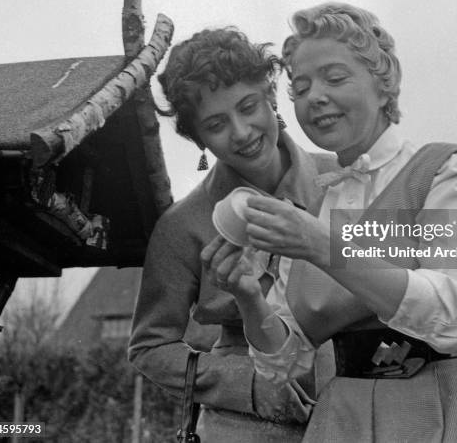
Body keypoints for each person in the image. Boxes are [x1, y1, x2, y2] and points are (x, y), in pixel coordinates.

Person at [203, 4, 457, 442]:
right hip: (350, 420)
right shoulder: (313, 208)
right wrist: (249, 298)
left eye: (335, 78)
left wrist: (322, 246)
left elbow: (453, 312)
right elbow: (286, 360)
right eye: (301, 86)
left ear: (385, 86)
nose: (315, 97)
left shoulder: (449, 172)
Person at [128, 28, 336, 443]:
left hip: (354, 411)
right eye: (216, 124)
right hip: (243, 428)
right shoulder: (181, 225)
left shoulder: (344, 179)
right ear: (197, 139)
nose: (241, 132)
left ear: (270, 96)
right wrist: (247, 384)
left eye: (248, 107)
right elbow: (149, 348)